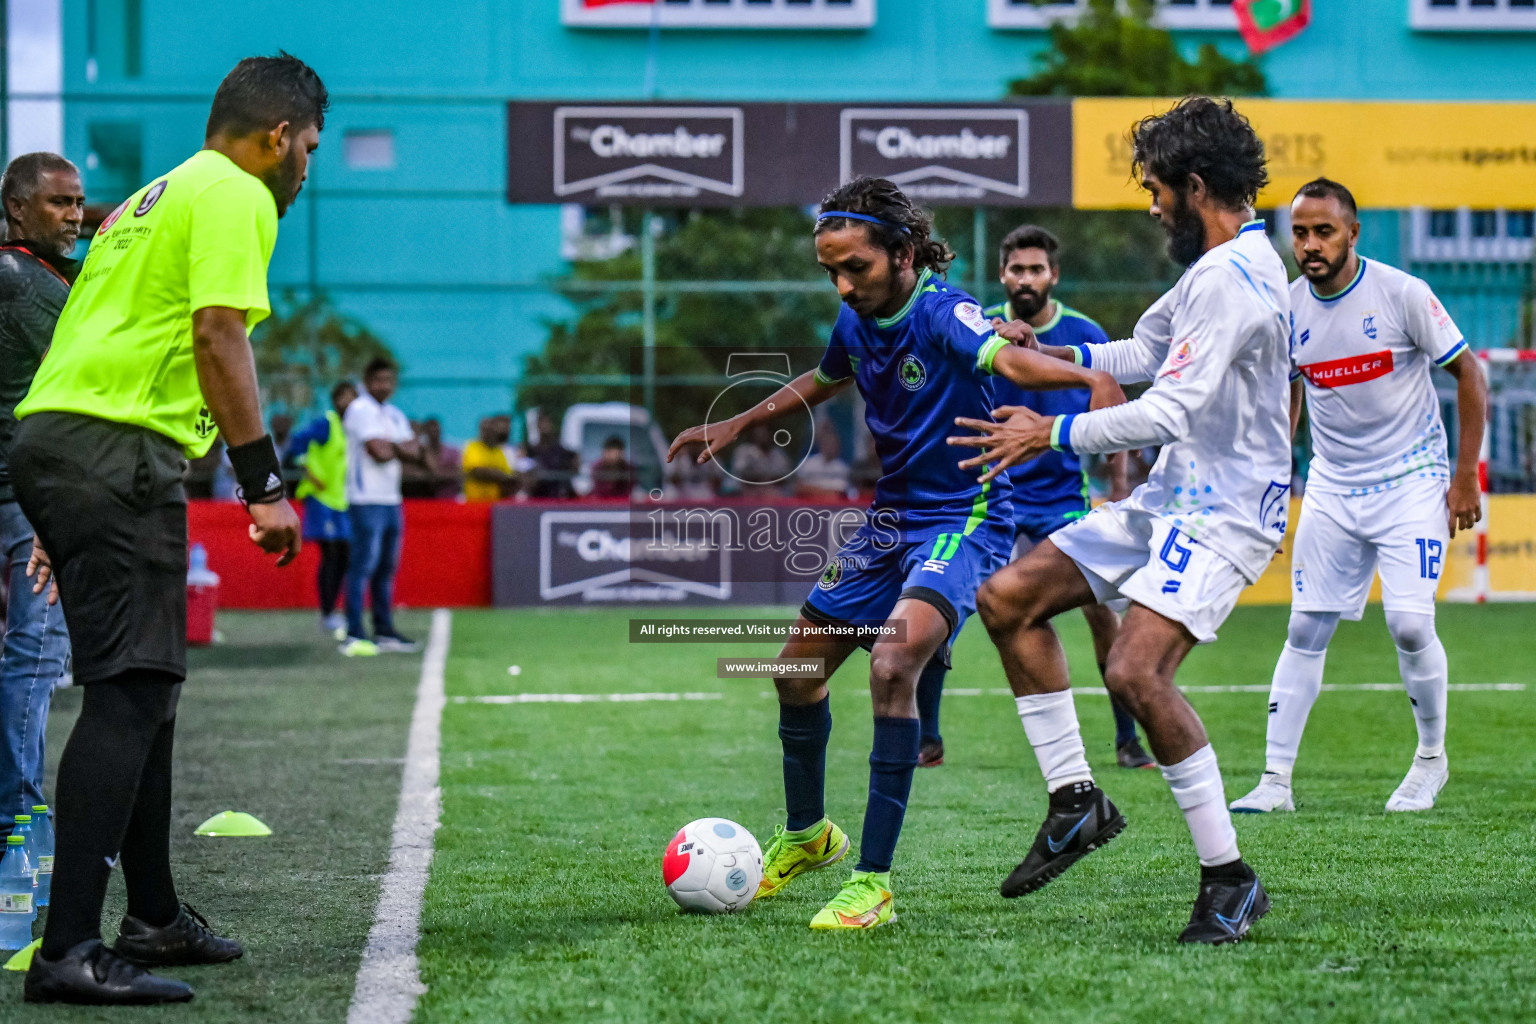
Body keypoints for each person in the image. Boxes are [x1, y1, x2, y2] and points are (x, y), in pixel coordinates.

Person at [666, 176, 1120, 931]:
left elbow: (1010, 363)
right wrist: (739, 423)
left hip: (966, 517)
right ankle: (809, 837)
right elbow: (821, 379)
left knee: (891, 663)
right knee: (796, 676)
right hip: (889, 520)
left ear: (903, 253)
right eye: (831, 272)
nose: (843, 286)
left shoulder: (945, 311)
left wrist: (1087, 375)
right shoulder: (857, 316)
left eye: (856, 269)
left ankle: (872, 882)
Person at [9, 53, 319, 1004]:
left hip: (59, 438)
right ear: (276, 138)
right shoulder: (236, 192)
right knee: (131, 693)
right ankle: (67, 949)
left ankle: (152, 916)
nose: (307, 166)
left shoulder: (150, 196)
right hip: (116, 449)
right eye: (308, 146)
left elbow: (90, 332)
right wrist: (262, 481)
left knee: (149, 688)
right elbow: (218, 333)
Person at [951, 97, 1288, 944]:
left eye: (1155, 190)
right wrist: (1058, 353)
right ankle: (1077, 802)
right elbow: (1141, 357)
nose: (1150, 205)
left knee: (1137, 674)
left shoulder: (1229, 278)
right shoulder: (1227, 263)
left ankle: (1231, 878)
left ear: (1195, 185)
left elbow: (1166, 408)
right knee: (1007, 599)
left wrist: (1050, 428)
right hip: (1173, 498)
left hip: (1227, 515)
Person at [1229, 178, 1486, 815]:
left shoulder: (1402, 293)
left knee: (1407, 622)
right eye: (1300, 233)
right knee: (1305, 626)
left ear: (1353, 233)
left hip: (1411, 482)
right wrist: (1277, 460)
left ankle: (1431, 761)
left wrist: (1464, 478)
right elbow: (1288, 390)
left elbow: (1471, 373)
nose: (1310, 245)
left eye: (1324, 231)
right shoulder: (1287, 309)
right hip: (1333, 487)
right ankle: (1275, 781)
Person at [913, 224, 1152, 771]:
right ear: (1004, 275)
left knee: (1101, 612)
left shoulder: (1084, 333)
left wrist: (1118, 486)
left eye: (1036, 269)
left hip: (1062, 496)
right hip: (991, 492)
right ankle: (928, 738)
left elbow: (1111, 415)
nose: (1026, 279)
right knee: (940, 606)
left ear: (1053, 276)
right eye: (1016, 270)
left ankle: (1127, 739)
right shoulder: (983, 328)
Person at [0, 152, 82, 840]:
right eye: (59, 203)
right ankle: (18, 816)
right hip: (27, 497)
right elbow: (84, 378)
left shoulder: (30, 274)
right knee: (35, 656)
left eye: (77, 202)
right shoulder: (30, 284)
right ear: (17, 207)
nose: (74, 214)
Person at [340, 356, 423, 655]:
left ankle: (384, 629)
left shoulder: (394, 414)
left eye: (388, 381)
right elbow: (379, 453)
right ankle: (354, 631)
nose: (384, 386)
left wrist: (395, 447)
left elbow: (415, 452)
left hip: (391, 499)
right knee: (363, 566)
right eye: (378, 380)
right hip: (365, 498)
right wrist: (398, 447)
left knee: (386, 568)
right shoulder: (360, 409)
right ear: (367, 380)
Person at [290, 380, 357, 640]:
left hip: (341, 501)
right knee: (330, 555)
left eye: (353, 397)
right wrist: (307, 469)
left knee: (344, 556)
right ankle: (327, 613)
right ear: (336, 399)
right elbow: (297, 442)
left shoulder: (350, 428)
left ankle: (334, 610)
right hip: (321, 499)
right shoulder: (326, 423)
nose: (349, 402)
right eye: (344, 396)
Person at [462, 414, 517, 501]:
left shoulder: (499, 452)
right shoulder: (472, 446)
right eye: (483, 428)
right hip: (474, 502)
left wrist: (495, 474)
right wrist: (499, 475)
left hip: (495, 505)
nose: (486, 431)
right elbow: (477, 471)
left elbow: (509, 477)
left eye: (489, 428)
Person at [525, 413, 577, 498]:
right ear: (537, 425)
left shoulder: (561, 450)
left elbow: (572, 466)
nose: (545, 426)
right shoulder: (531, 450)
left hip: (556, 494)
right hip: (537, 495)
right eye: (542, 423)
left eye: (547, 423)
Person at [794, 426, 852, 499]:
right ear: (821, 444)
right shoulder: (808, 462)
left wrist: (813, 491)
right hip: (807, 504)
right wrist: (821, 493)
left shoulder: (842, 468)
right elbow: (798, 487)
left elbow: (837, 494)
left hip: (832, 506)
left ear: (838, 446)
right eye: (827, 443)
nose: (829, 447)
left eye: (832, 444)